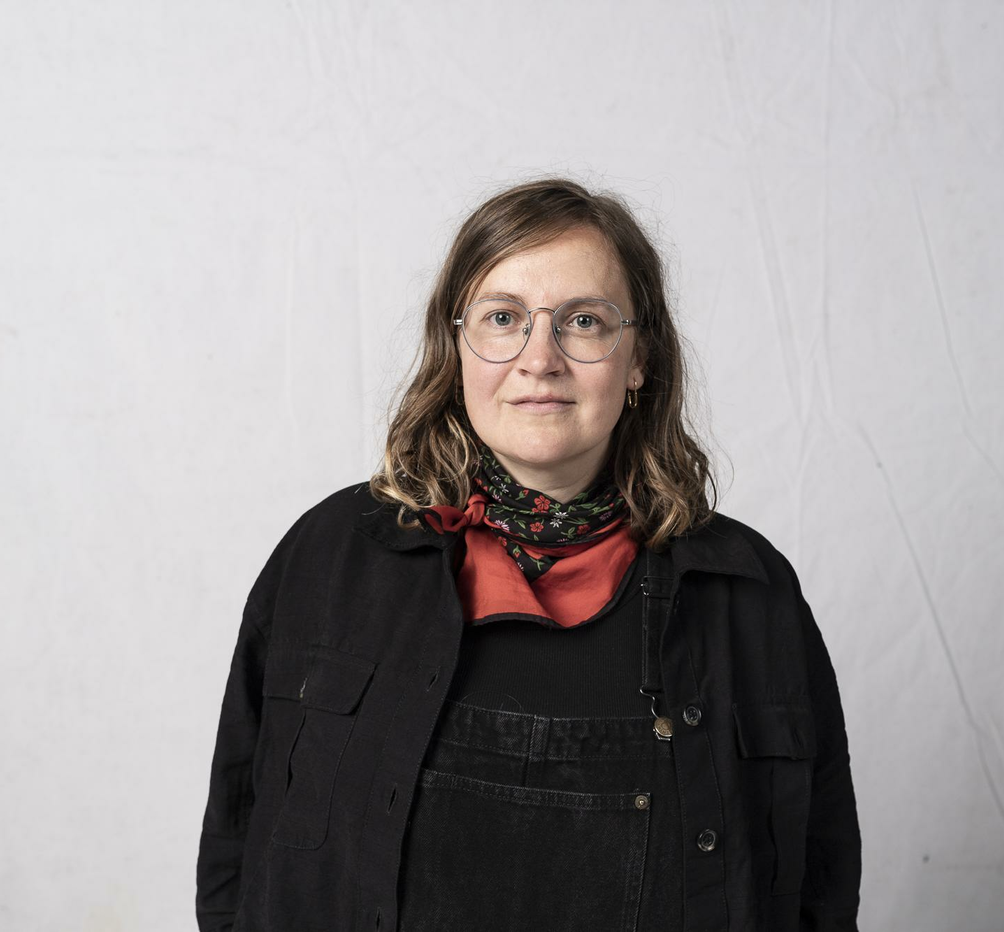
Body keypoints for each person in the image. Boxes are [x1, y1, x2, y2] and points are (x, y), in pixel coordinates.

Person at [195, 178, 862, 932]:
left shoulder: (749, 594)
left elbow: (820, 887)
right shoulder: (329, 560)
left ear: (639, 360)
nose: (539, 359)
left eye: (584, 321)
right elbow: (236, 847)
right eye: (503, 318)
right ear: (455, 348)